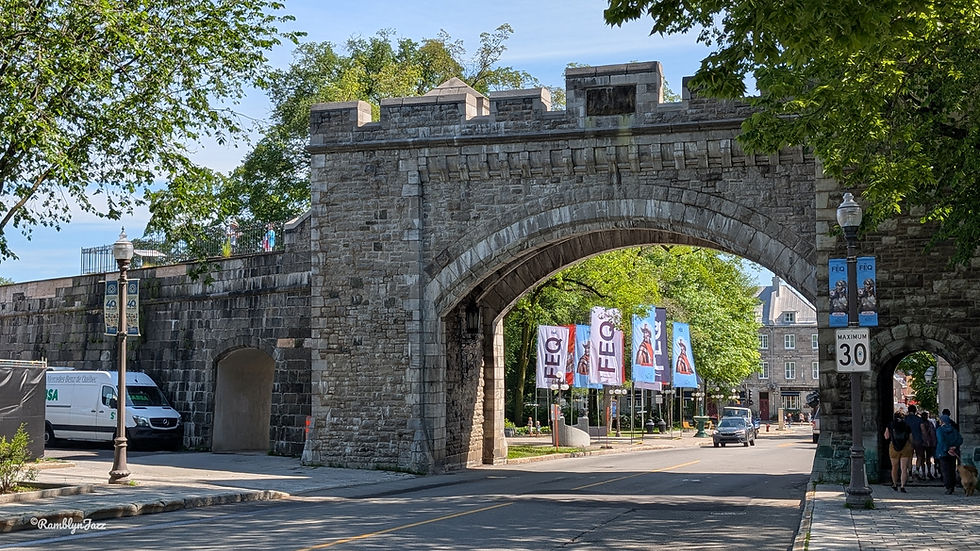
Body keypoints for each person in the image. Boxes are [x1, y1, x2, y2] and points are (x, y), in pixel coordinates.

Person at [884, 411, 913, 492]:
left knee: (894, 467)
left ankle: (894, 484)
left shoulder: (890, 424)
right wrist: (911, 446)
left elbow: (886, 436)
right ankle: (903, 486)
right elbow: (911, 438)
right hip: (905, 446)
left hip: (893, 446)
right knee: (904, 468)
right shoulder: (907, 425)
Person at [936, 414, 964, 494]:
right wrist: (954, 447)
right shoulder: (954, 430)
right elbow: (960, 439)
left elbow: (941, 441)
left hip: (943, 452)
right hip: (953, 452)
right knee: (952, 469)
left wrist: (947, 449)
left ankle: (948, 487)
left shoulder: (940, 430)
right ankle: (952, 485)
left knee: (945, 470)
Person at [905, 405, 925, 479]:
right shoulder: (919, 419)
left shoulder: (905, 419)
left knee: (909, 457)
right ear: (915, 411)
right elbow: (923, 430)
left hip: (908, 441)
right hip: (918, 439)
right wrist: (925, 439)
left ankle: (910, 473)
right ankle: (917, 470)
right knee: (919, 456)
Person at [920, 411, 938, 479]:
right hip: (929, 443)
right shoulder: (930, 423)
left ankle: (925, 473)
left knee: (923, 458)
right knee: (927, 458)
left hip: (923, 443)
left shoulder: (923, 422)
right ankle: (928, 472)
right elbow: (932, 433)